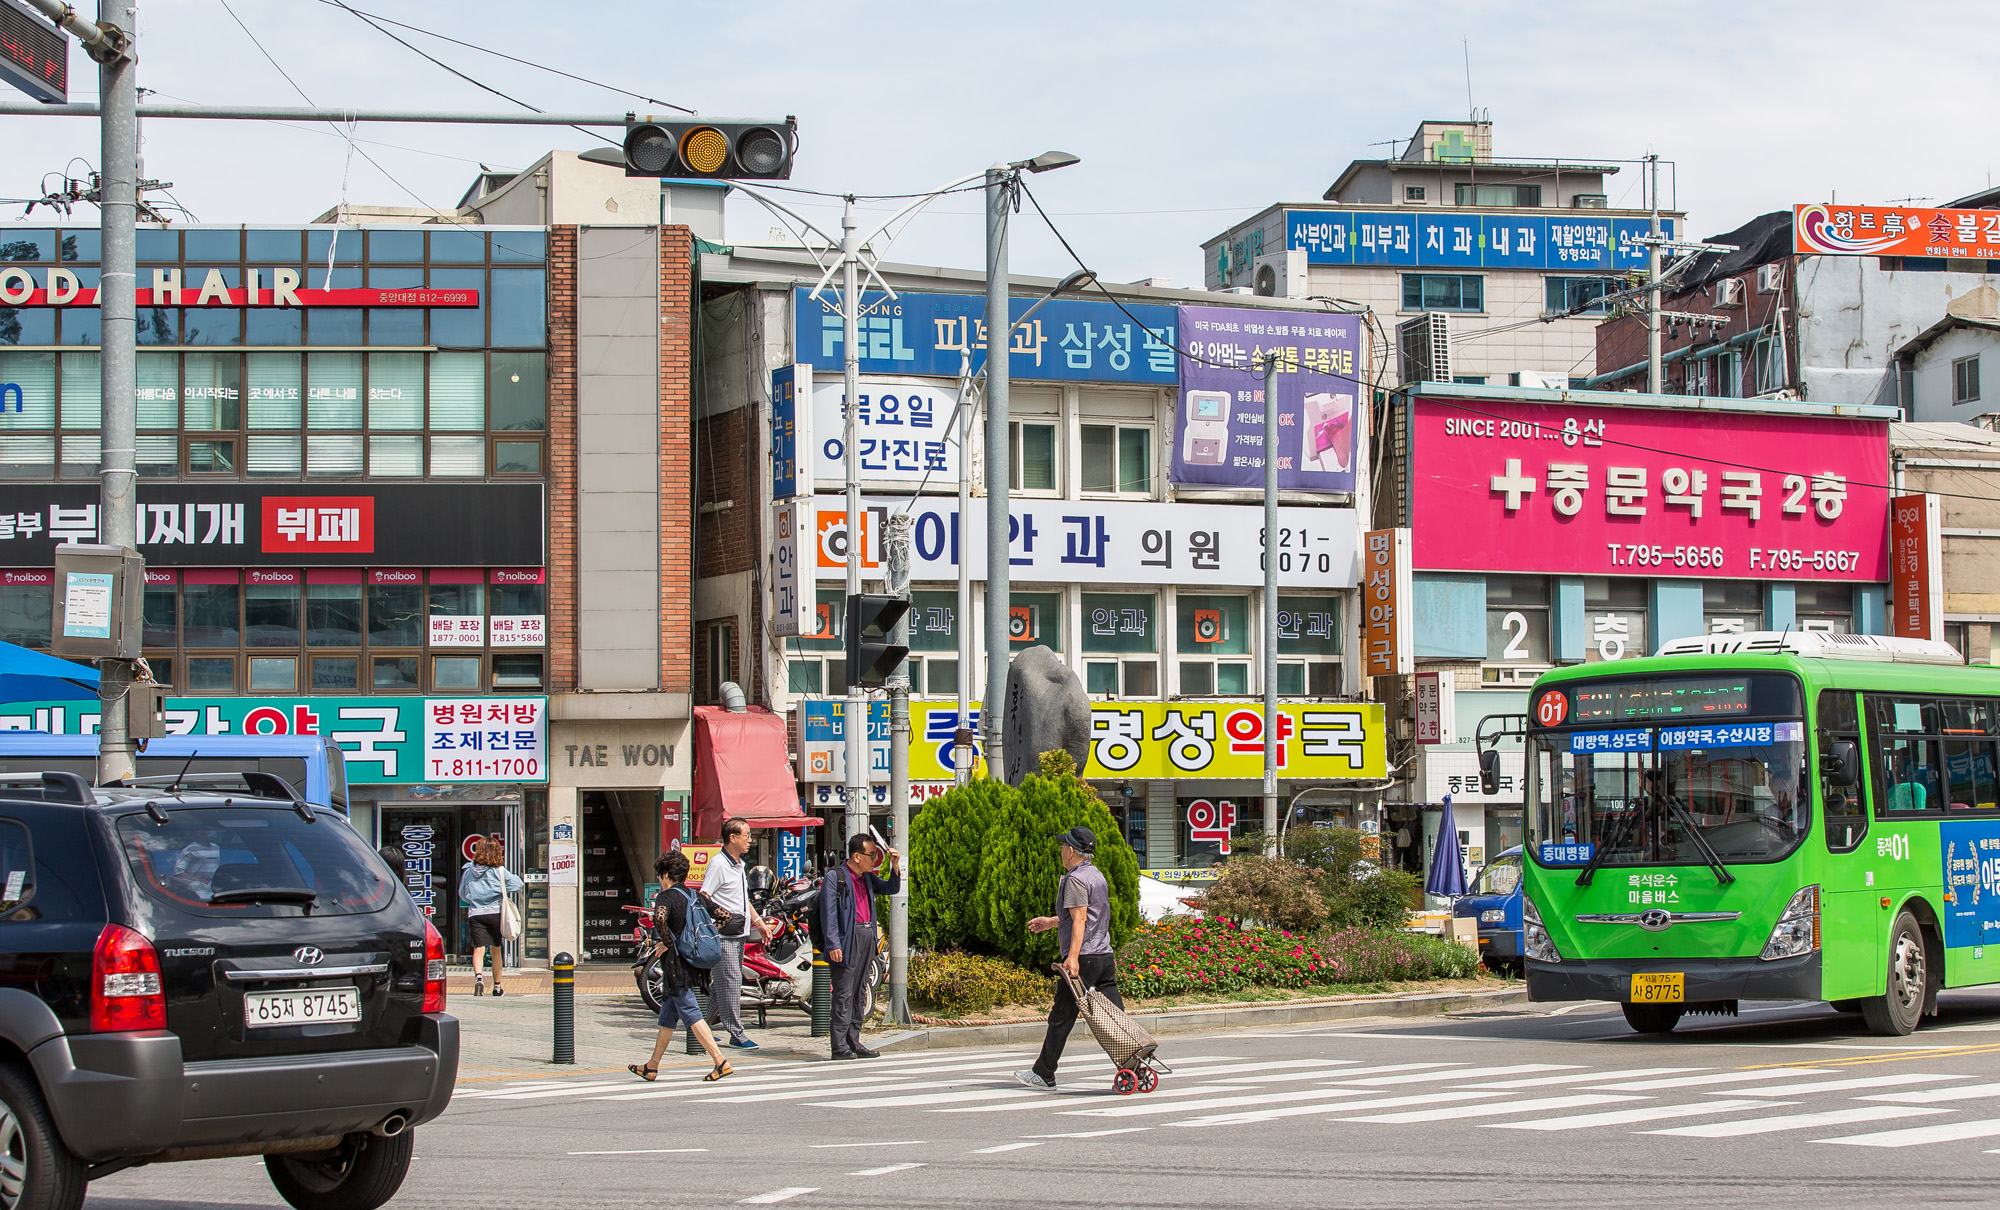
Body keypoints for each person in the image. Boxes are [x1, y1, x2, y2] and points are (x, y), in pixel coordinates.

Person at [1016, 825, 1118, 1090]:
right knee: (1115, 1018)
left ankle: (1044, 1073)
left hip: (1083, 959)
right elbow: (1088, 915)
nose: (1061, 850)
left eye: (1063, 846)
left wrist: (1072, 958)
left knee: (1061, 1017)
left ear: (1071, 851)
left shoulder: (1074, 879)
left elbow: (1080, 918)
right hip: (1104, 956)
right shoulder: (1096, 875)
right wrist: (1051, 922)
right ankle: (1133, 1065)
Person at [630, 851, 732, 1083]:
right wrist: (705, 935)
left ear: (665, 874)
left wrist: (668, 943)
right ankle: (652, 1066)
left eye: (660, 875)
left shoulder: (666, 897)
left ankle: (720, 1061)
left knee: (691, 1012)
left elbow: (659, 919)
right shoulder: (696, 896)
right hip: (694, 963)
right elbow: (726, 916)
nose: (660, 880)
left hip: (676, 966)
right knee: (668, 1014)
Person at [818, 832, 900, 1060]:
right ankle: (839, 1046)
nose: (875, 859)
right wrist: (833, 943)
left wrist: (895, 866)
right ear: (856, 856)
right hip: (847, 939)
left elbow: (890, 888)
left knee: (860, 992)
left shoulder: (866, 877)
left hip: (866, 936)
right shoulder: (836, 877)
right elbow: (828, 914)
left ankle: (854, 1041)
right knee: (843, 993)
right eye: (871, 855)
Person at [700, 817, 775, 1051]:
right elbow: (703, 897)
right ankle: (737, 1034)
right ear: (732, 837)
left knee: (720, 987)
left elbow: (743, 900)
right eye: (747, 835)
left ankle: (698, 1030)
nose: (750, 840)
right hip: (724, 937)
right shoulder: (718, 865)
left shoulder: (738, 865)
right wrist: (722, 916)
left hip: (738, 934)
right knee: (731, 984)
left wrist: (758, 922)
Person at [458, 838, 523, 996]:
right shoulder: (499, 871)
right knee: (496, 949)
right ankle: (497, 987)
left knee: (478, 949)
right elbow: (518, 884)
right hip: (495, 913)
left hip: (475, 913)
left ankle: (479, 977)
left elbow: (462, 893)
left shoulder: (468, 871)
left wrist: (474, 900)